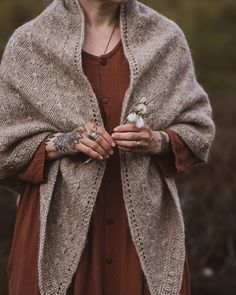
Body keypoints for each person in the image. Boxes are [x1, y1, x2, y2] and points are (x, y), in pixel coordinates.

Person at [0, 0, 215, 294]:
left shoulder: (165, 38)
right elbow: (4, 145)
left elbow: (198, 129)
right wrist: (63, 143)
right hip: (54, 236)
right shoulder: (29, 43)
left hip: (142, 241)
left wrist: (157, 141)